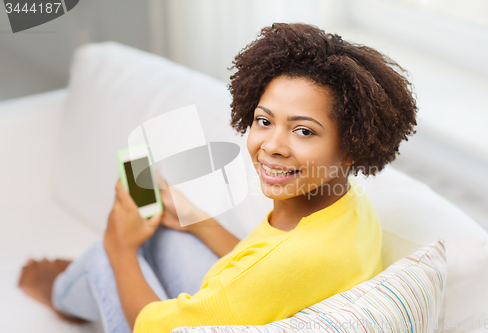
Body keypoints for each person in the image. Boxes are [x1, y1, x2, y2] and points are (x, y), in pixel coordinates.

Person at [18, 22, 417, 332]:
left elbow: (157, 327)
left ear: (352, 145)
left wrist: (119, 249)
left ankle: (63, 293)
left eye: (304, 130)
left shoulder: (292, 262)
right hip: (256, 300)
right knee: (169, 231)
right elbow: (256, 267)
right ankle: (84, 281)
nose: (272, 145)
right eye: (264, 121)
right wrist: (200, 220)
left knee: (105, 262)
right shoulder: (346, 206)